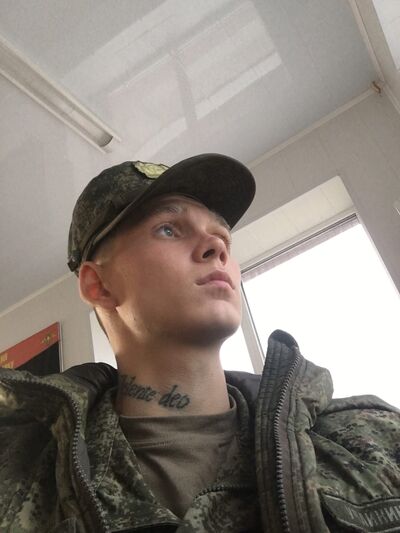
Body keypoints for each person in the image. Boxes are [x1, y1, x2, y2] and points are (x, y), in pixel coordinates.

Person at [1, 153, 399, 533]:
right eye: (168, 229)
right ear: (98, 285)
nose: (217, 247)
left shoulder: (370, 440)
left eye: (222, 235)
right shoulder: (16, 470)